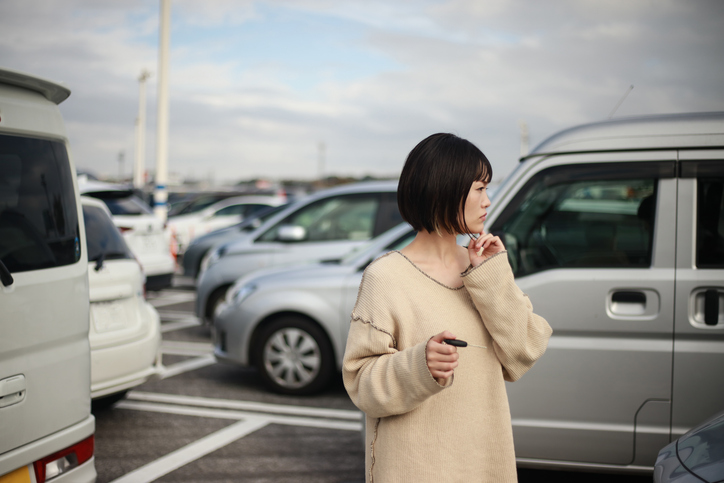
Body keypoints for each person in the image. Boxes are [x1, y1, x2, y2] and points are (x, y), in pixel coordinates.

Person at [342, 133, 553, 482]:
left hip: (485, 462)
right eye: (479, 189)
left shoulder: (483, 267)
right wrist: (419, 365)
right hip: (416, 468)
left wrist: (492, 274)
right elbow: (361, 383)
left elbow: (526, 349)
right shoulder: (386, 277)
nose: (488, 201)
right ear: (445, 189)